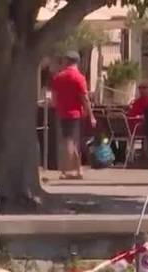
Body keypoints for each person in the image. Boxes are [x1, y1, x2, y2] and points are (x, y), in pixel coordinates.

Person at [50, 51, 95, 180]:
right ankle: (71, 170)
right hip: (76, 114)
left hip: (62, 112)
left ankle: (71, 170)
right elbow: (84, 98)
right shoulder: (79, 78)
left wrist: (57, 106)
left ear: (66, 61)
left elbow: (54, 99)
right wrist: (91, 115)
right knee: (72, 142)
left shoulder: (58, 77)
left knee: (68, 142)